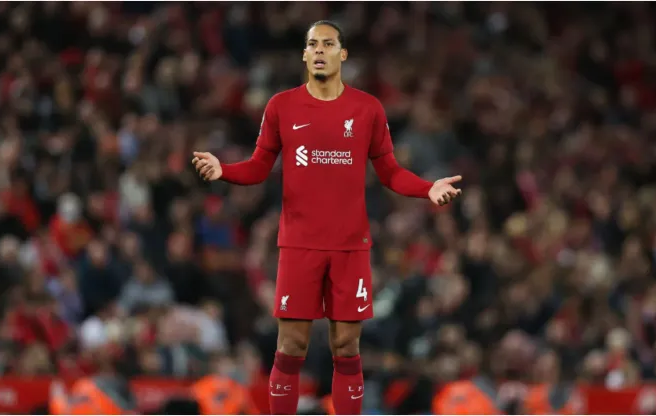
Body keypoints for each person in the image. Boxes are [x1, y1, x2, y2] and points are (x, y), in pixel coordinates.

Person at [192, 20, 462, 415]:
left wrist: (427, 188)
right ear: (305, 54)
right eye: (312, 44)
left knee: (346, 347)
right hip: (299, 243)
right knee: (291, 345)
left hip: (350, 246)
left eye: (328, 44)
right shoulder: (281, 106)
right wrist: (224, 170)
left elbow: (389, 172)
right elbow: (258, 167)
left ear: (342, 54)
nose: (319, 50)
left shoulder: (367, 108)